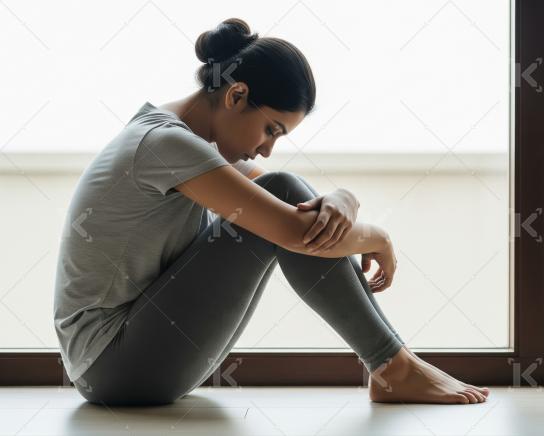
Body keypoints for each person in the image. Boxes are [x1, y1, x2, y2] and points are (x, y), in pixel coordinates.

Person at [53, 18, 490, 406]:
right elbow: (293, 228)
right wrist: (380, 237)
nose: (266, 146)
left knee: (281, 190)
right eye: (271, 129)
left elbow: (291, 206)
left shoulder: (189, 139)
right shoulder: (166, 144)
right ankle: (393, 368)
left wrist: (344, 196)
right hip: (113, 366)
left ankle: (393, 365)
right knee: (281, 194)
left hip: (138, 355)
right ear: (236, 95)